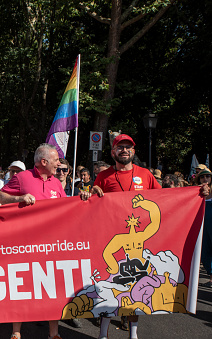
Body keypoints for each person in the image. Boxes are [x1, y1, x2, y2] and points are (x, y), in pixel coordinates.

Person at [89, 134, 210, 339]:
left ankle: (134, 335)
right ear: (113, 152)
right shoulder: (104, 176)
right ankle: (103, 334)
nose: (124, 150)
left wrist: (199, 192)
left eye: (128, 147)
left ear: (134, 151)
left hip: (140, 247)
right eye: (120, 147)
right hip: (113, 237)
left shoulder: (145, 174)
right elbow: (94, 203)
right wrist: (93, 192)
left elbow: (165, 200)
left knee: (138, 292)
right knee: (111, 291)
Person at [0, 144, 90, 339]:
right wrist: (20, 198)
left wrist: (83, 199)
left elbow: (66, 207)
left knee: (51, 288)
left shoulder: (56, 183)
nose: (59, 163)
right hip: (25, 243)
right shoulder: (22, 177)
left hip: (51, 245)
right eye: (56, 160)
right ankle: (16, 332)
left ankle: (53, 333)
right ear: (44, 162)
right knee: (21, 285)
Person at [197, 169, 212, 288]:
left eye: (208, 176)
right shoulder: (195, 193)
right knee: (205, 253)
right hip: (202, 226)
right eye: (202, 177)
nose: (205, 179)